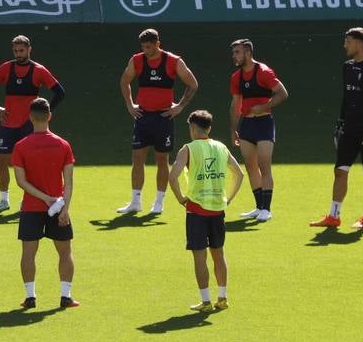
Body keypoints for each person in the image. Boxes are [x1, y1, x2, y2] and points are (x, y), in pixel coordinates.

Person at [168, 110, 245, 312]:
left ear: (192, 128)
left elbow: (172, 176)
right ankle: (222, 297)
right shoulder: (221, 147)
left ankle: (205, 301)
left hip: (196, 210)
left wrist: (180, 198)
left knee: (199, 257)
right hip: (218, 210)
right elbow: (240, 174)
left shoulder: (188, 149)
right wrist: (228, 198)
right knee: (219, 254)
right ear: (209, 128)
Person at [311, 27, 363, 229]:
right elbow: (347, 97)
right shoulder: (347, 67)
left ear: (360, 43)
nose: (345, 45)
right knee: (340, 170)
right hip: (349, 128)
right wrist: (340, 122)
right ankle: (334, 216)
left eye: (348, 41)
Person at [118, 29, 199, 215]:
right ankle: (135, 201)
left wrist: (179, 106)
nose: (146, 50)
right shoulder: (137, 60)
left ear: (157, 44)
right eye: (143, 47)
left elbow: (193, 84)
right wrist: (130, 105)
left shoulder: (173, 61)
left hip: (164, 118)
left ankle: (159, 202)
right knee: (137, 158)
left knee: (162, 159)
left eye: (149, 47)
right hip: (143, 117)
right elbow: (124, 81)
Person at [0, 35, 65, 212]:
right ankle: (3, 200)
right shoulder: (6, 68)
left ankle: (27, 199)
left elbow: (59, 92)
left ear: (29, 49)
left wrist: (44, 111)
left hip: (29, 125)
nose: (18, 54)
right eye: (15, 51)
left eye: (21, 50)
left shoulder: (39, 70)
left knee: (31, 163)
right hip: (8, 124)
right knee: (2, 160)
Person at [11, 98, 78, 310]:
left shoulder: (21, 146)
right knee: (65, 253)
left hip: (31, 208)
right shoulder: (63, 145)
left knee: (28, 253)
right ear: (49, 116)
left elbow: (21, 182)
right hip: (58, 208)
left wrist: (42, 198)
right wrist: (64, 209)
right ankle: (65, 297)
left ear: (30, 117)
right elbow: (68, 182)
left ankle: (30, 297)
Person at [227, 39, 287, 223]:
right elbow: (235, 104)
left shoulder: (263, 72)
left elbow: (282, 93)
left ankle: (267, 210)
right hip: (247, 126)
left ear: (247, 53)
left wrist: (264, 107)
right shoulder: (236, 77)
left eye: (237, 52)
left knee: (264, 165)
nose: (234, 56)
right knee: (251, 166)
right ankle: (259, 207)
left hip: (264, 124)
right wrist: (233, 129)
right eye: (234, 52)